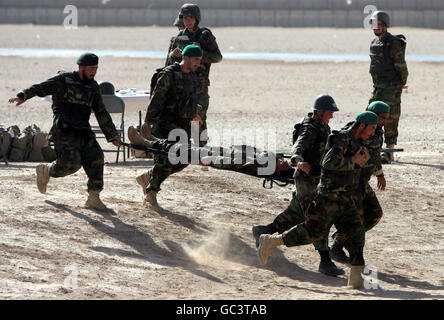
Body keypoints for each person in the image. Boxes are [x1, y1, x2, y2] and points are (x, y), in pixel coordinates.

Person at [257, 111, 379, 289]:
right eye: (372, 128)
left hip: (345, 197)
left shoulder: (358, 142)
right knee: (312, 232)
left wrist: (363, 162)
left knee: (357, 232)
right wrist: (354, 160)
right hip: (328, 198)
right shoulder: (341, 139)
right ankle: (271, 241)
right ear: (362, 126)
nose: (373, 132)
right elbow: (328, 162)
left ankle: (355, 279)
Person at [8, 53, 121, 211]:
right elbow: (41, 87)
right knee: (71, 165)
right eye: (90, 68)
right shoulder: (63, 80)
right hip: (64, 130)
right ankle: (46, 171)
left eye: (95, 68)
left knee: (96, 157)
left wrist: (112, 135)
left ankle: (94, 198)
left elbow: (101, 112)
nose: (93, 72)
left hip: (83, 130)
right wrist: (23, 95)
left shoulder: (93, 86)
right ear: (80, 67)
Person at [251, 94, 344, 276]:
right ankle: (325, 261)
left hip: (315, 179)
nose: (331, 116)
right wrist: (298, 160)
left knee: (296, 213)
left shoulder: (322, 127)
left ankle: (265, 231)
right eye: (329, 113)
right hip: (306, 180)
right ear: (319, 112)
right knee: (318, 217)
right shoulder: (309, 128)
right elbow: (298, 147)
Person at [136, 45, 203, 209]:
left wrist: (196, 114)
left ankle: (149, 177)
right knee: (166, 158)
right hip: (164, 124)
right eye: (195, 60)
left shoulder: (193, 76)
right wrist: (148, 123)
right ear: (185, 58)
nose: (198, 63)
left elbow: (192, 99)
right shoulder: (169, 73)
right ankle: (151, 194)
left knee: (185, 158)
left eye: (199, 60)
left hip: (183, 125)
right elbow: (157, 98)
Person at [330, 101, 389, 263]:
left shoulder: (377, 131)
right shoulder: (355, 129)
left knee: (375, 213)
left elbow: (375, 154)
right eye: (381, 117)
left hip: (363, 181)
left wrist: (379, 174)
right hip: (351, 182)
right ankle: (337, 247)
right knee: (356, 218)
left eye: (385, 118)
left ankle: (341, 236)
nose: (383, 121)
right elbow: (336, 152)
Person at [165, 3, 223, 147]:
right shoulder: (180, 36)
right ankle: (184, 150)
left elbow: (217, 57)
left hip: (199, 85)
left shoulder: (204, 35)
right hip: (182, 84)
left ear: (196, 18)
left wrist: (201, 53)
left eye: (190, 17)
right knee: (182, 117)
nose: (187, 21)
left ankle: (201, 149)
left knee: (199, 118)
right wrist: (174, 55)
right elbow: (169, 63)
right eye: (184, 18)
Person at [369, 10, 408, 163]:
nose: (376, 27)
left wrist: (401, 83)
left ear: (385, 26)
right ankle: (371, 146)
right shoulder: (374, 43)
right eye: (374, 24)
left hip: (392, 87)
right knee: (371, 114)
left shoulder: (393, 43)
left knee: (391, 118)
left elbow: (401, 66)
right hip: (378, 86)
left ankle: (389, 150)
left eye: (379, 24)